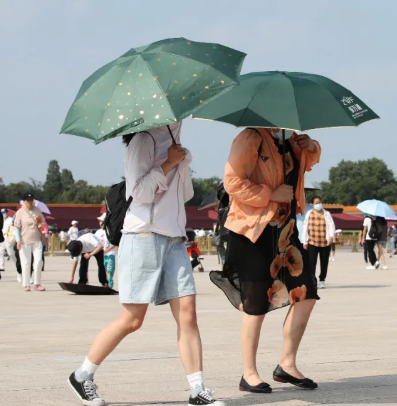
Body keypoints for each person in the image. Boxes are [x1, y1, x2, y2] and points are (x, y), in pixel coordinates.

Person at [67, 123, 224, 406]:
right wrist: (168, 164)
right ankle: (82, 375)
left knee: (188, 315)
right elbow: (138, 192)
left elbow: (185, 194)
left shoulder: (177, 139)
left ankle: (197, 389)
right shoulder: (143, 139)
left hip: (175, 237)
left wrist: (182, 162)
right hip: (143, 236)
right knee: (132, 320)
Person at [210, 127, 321, 394]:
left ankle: (287, 363)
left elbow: (307, 165)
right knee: (256, 301)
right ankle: (249, 374)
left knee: (306, 292)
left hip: (285, 231)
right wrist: (269, 194)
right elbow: (233, 182)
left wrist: (311, 147)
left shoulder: (290, 138)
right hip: (254, 231)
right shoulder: (251, 137)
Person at [14, 193, 46, 292]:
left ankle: (37, 283)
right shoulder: (20, 212)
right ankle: (26, 284)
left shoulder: (37, 210)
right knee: (26, 263)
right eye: (28, 201)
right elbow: (17, 228)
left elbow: (41, 222)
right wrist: (18, 240)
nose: (30, 202)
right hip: (24, 241)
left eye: (31, 200)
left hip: (37, 239)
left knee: (38, 262)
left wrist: (41, 226)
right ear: (24, 201)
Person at [302, 196, 335, 289]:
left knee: (324, 262)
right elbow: (305, 228)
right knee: (312, 263)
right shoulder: (309, 213)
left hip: (325, 243)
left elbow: (331, 225)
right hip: (312, 242)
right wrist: (304, 241)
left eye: (320, 202)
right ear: (312, 204)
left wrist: (331, 236)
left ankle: (322, 280)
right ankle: (312, 281)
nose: (318, 204)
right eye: (316, 203)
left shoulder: (326, 214)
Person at [96, 214, 117, 288]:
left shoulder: (111, 231)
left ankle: (109, 286)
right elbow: (96, 243)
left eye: (101, 221)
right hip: (102, 255)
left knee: (109, 271)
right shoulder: (98, 232)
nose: (100, 223)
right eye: (99, 221)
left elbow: (115, 242)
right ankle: (104, 285)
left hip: (110, 254)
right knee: (103, 271)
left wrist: (108, 249)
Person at [0, 209, 17, 276]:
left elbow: (13, 228)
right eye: (2, 213)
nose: (4, 214)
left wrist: (12, 237)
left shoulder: (10, 220)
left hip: (8, 237)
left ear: (7, 213)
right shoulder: (1, 218)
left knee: (10, 253)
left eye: (5, 213)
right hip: (2, 236)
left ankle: (17, 263)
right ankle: (1, 266)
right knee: (0, 252)